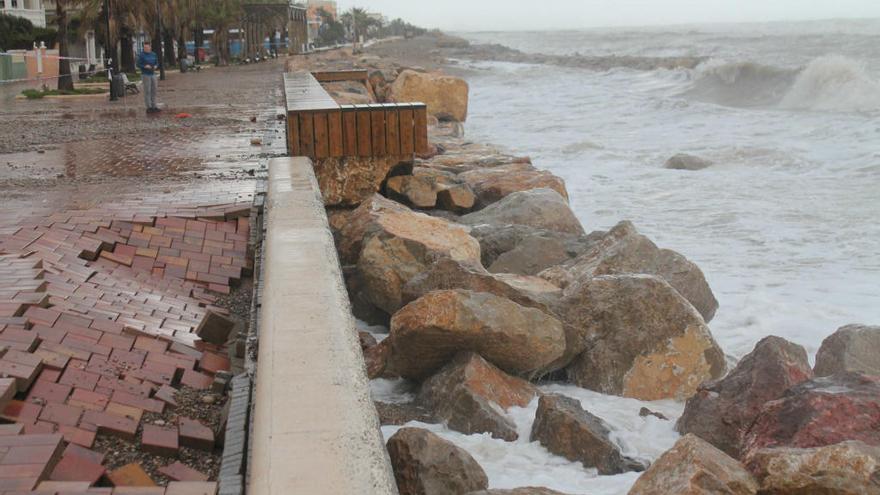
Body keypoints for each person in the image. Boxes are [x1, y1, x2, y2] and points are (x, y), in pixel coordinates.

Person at [136, 42, 160, 114]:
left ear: (150, 47)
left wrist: (156, 66)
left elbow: (157, 62)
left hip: (153, 74)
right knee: (147, 91)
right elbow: (138, 64)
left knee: (154, 90)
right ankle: (149, 107)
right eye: (144, 47)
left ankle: (154, 106)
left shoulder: (153, 54)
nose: (146, 49)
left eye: (147, 47)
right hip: (145, 74)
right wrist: (144, 66)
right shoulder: (141, 55)